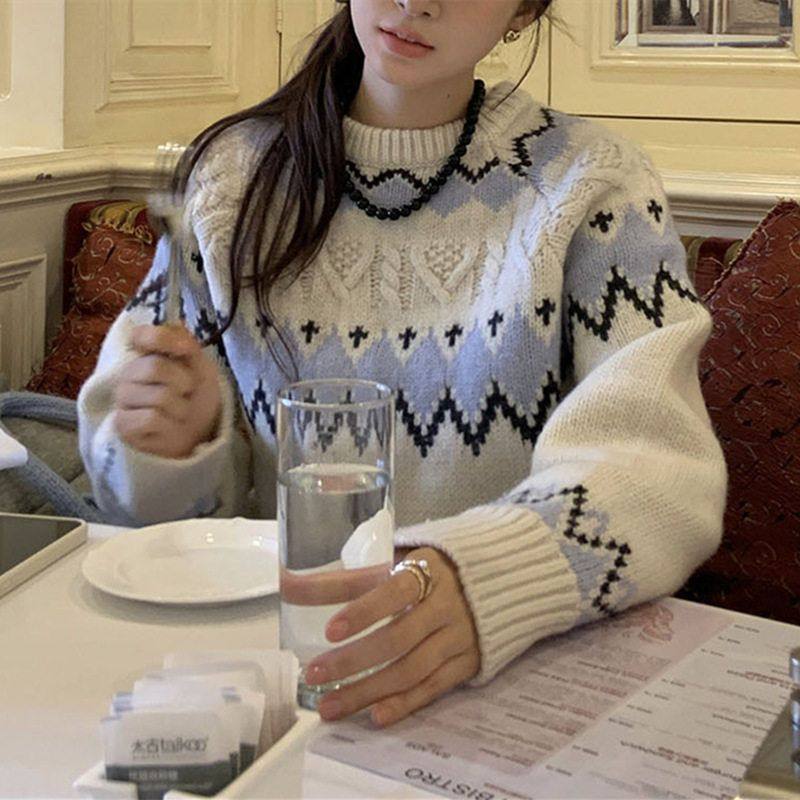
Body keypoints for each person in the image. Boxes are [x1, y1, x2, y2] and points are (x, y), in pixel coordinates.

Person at [78, 0, 726, 728]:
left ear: (523, 10)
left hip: (503, 686)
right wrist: (175, 450)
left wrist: (485, 576)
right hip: (272, 683)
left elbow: (660, 468)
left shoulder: (592, 184)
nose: (418, 1)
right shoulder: (230, 181)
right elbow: (150, 521)